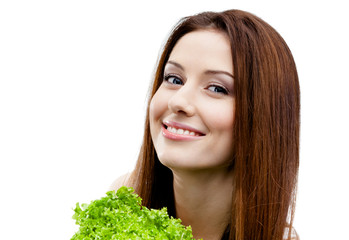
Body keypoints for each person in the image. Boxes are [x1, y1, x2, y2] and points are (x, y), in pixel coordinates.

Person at [110, 9, 300, 240]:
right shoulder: (126, 197)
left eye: (217, 88)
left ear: (262, 116)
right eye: (174, 79)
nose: (178, 100)